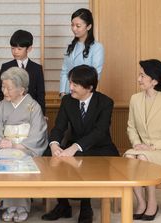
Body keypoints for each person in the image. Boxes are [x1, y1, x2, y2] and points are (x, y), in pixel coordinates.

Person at [42, 65, 119, 223]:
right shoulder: (67, 101)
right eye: (70, 83)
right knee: (48, 155)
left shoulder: (105, 102)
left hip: (101, 148)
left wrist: (75, 147)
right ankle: (63, 204)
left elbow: (100, 132)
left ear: (89, 87)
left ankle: (86, 207)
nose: (70, 87)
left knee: (80, 158)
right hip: (74, 146)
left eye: (75, 85)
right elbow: (59, 127)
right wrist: (54, 145)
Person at [124, 59, 161, 221]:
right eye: (139, 75)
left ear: (155, 81)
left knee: (143, 158)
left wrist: (152, 147)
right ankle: (141, 202)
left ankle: (152, 204)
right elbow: (131, 127)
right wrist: (136, 144)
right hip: (141, 147)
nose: (139, 79)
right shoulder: (135, 99)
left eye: (142, 76)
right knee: (129, 156)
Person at [0, 67, 48, 222]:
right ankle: (8, 205)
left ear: (21, 90)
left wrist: (16, 146)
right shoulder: (1, 106)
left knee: (20, 160)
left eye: (8, 88)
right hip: (6, 146)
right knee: (4, 157)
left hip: (26, 147)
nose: (4, 91)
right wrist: (0, 141)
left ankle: (22, 206)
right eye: (3, 87)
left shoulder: (33, 106)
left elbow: (38, 133)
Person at [0, 29, 46, 114]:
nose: (15, 52)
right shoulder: (6, 67)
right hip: (9, 110)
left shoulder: (37, 69)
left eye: (19, 49)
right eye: (13, 48)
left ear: (29, 49)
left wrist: (42, 114)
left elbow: (40, 94)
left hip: (30, 111)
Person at [59, 8, 104, 97]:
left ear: (88, 26)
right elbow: (64, 71)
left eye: (78, 26)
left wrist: (82, 92)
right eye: (72, 25)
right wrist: (62, 92)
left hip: (85, 94)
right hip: (68, 93)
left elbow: (95, 74)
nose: (74, 29)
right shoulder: (70, 47)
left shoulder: (97, 47)